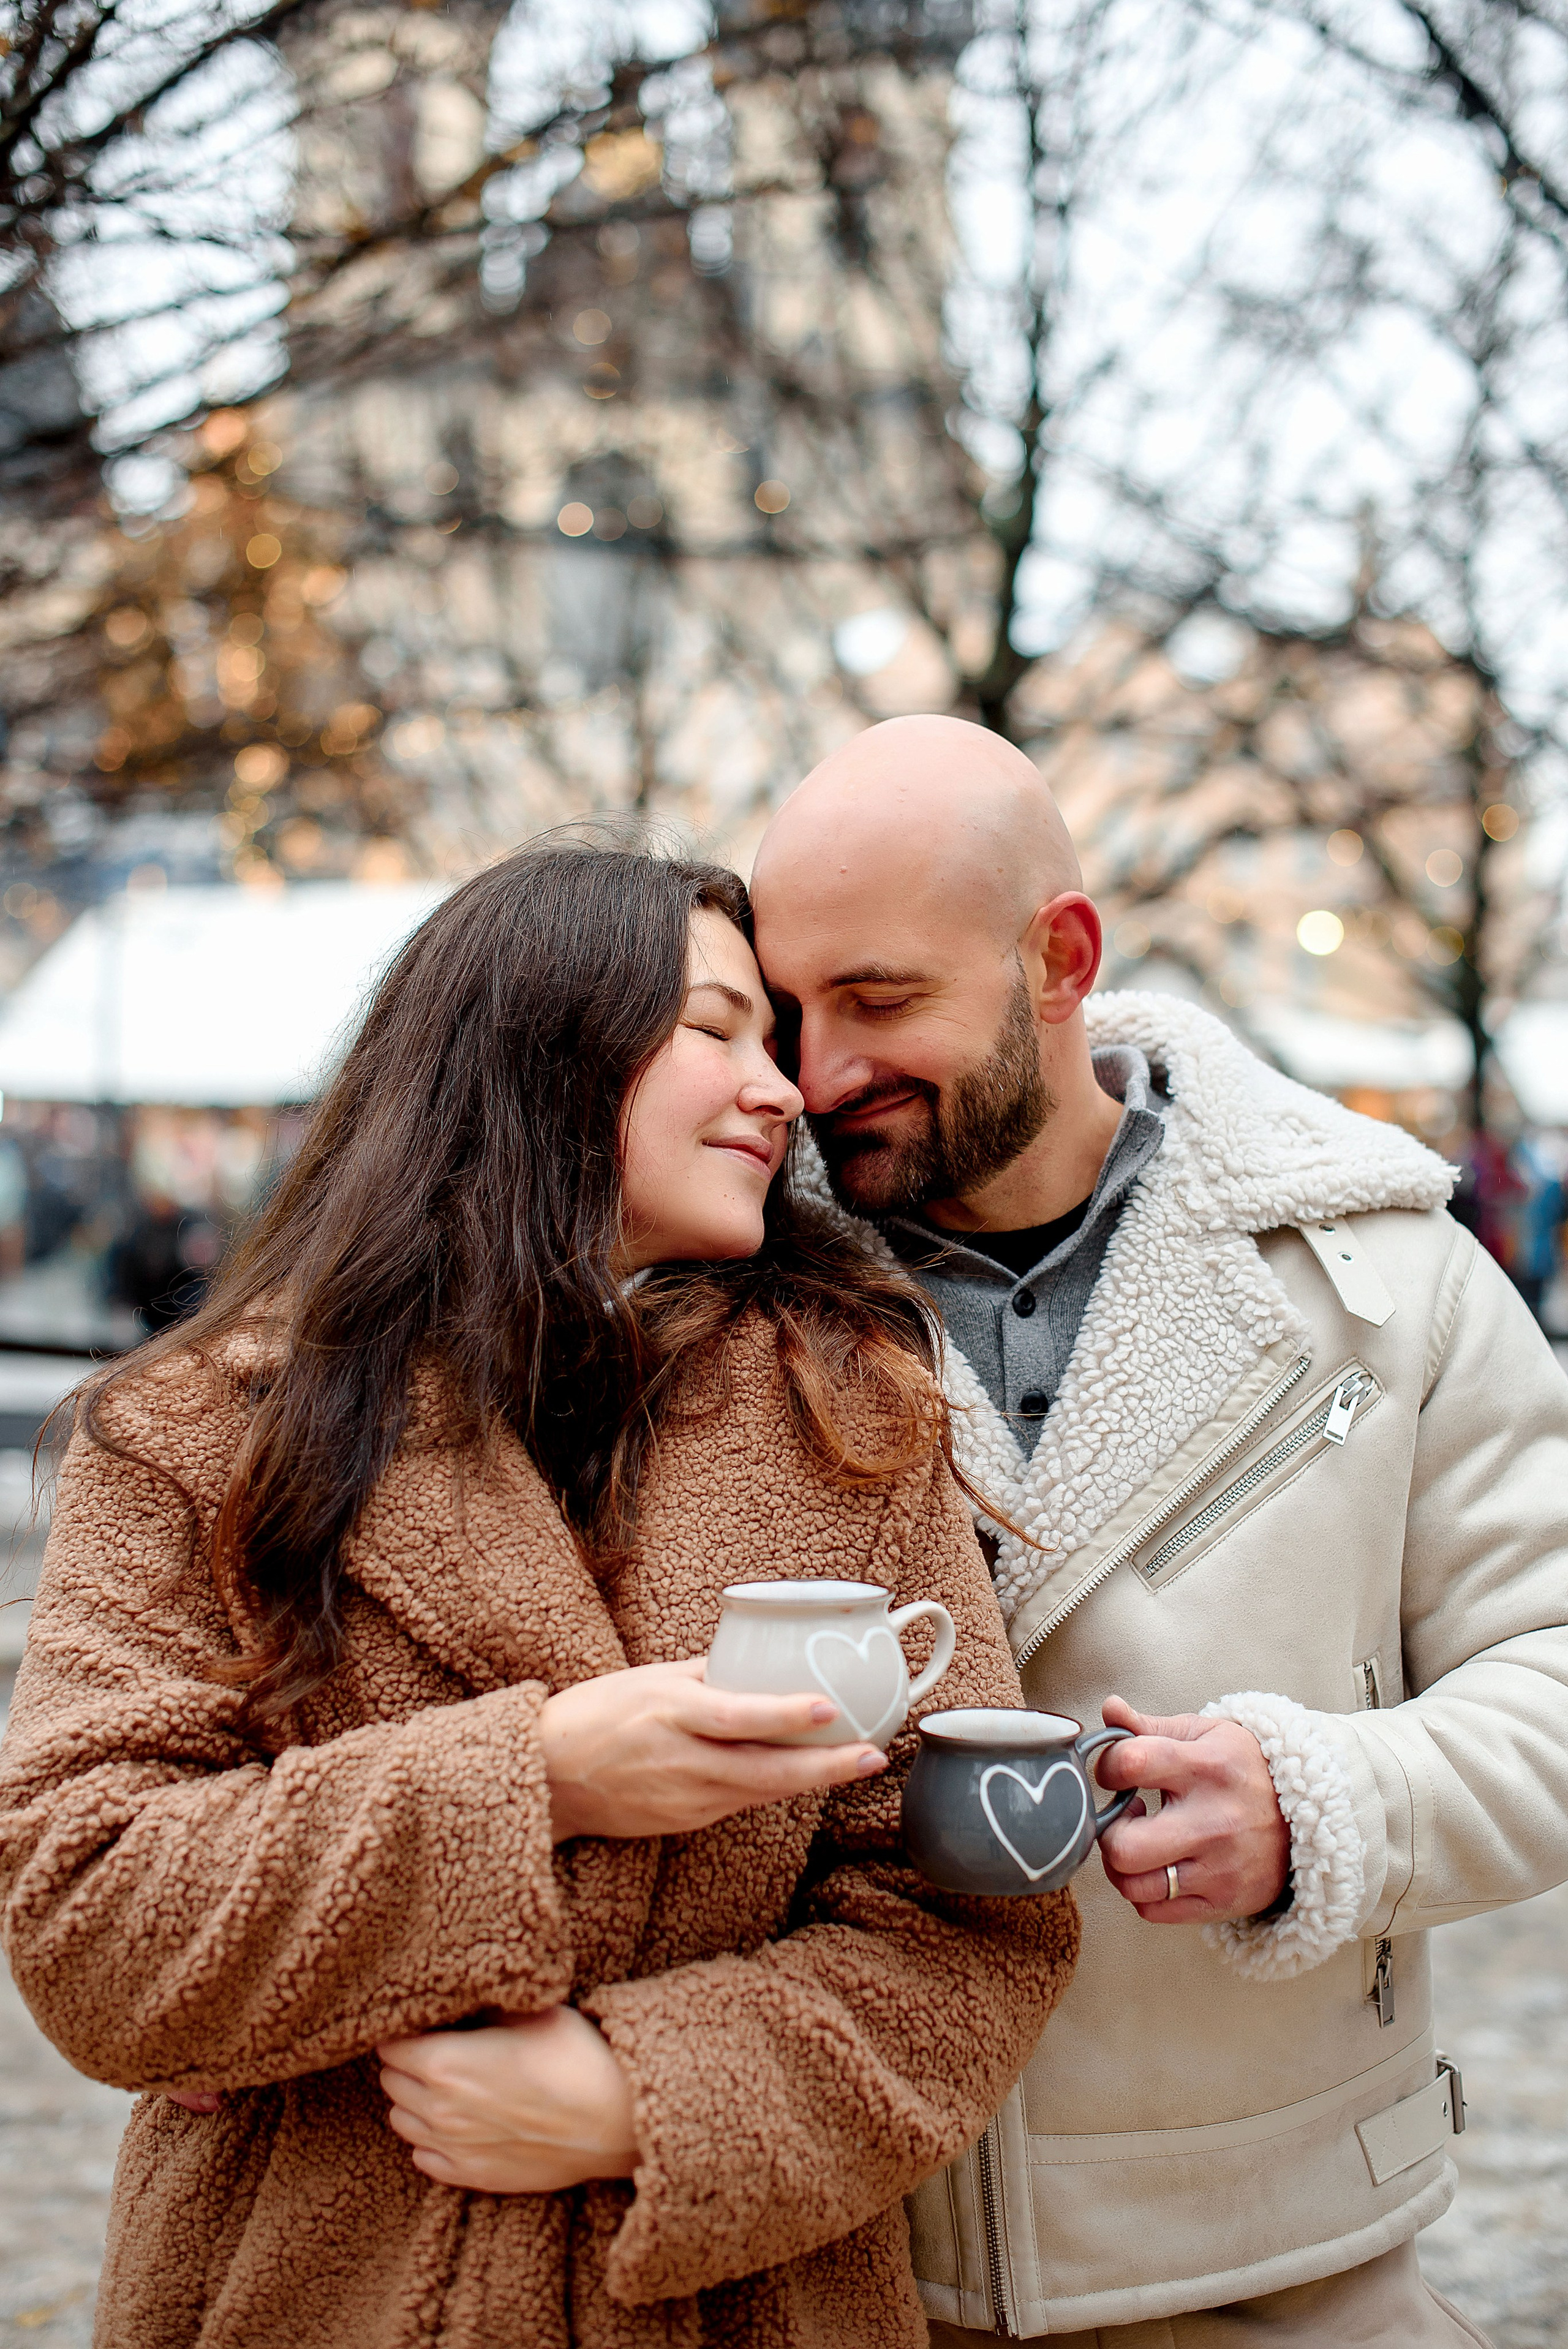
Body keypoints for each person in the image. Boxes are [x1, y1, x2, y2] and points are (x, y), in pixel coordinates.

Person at [0, 842, 1077, 2349]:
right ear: (536, 1047)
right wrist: (540, 1778)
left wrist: (645, 2095)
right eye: (717, 1030)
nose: (782, 1090)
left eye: (774, 1042)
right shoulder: (200, 1431)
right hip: (307, 2295)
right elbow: (86, 1914)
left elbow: (972, 1921)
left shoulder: (855, 1421)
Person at [748, 714, 1568, 2348]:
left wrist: (1324, 1799)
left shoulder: (1385, 1271)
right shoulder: (711, 1294)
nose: (820, 1074)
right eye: (788, 1009)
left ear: (1060, 958)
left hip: (1287, 2265)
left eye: (883, 999)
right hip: (831, 2271)